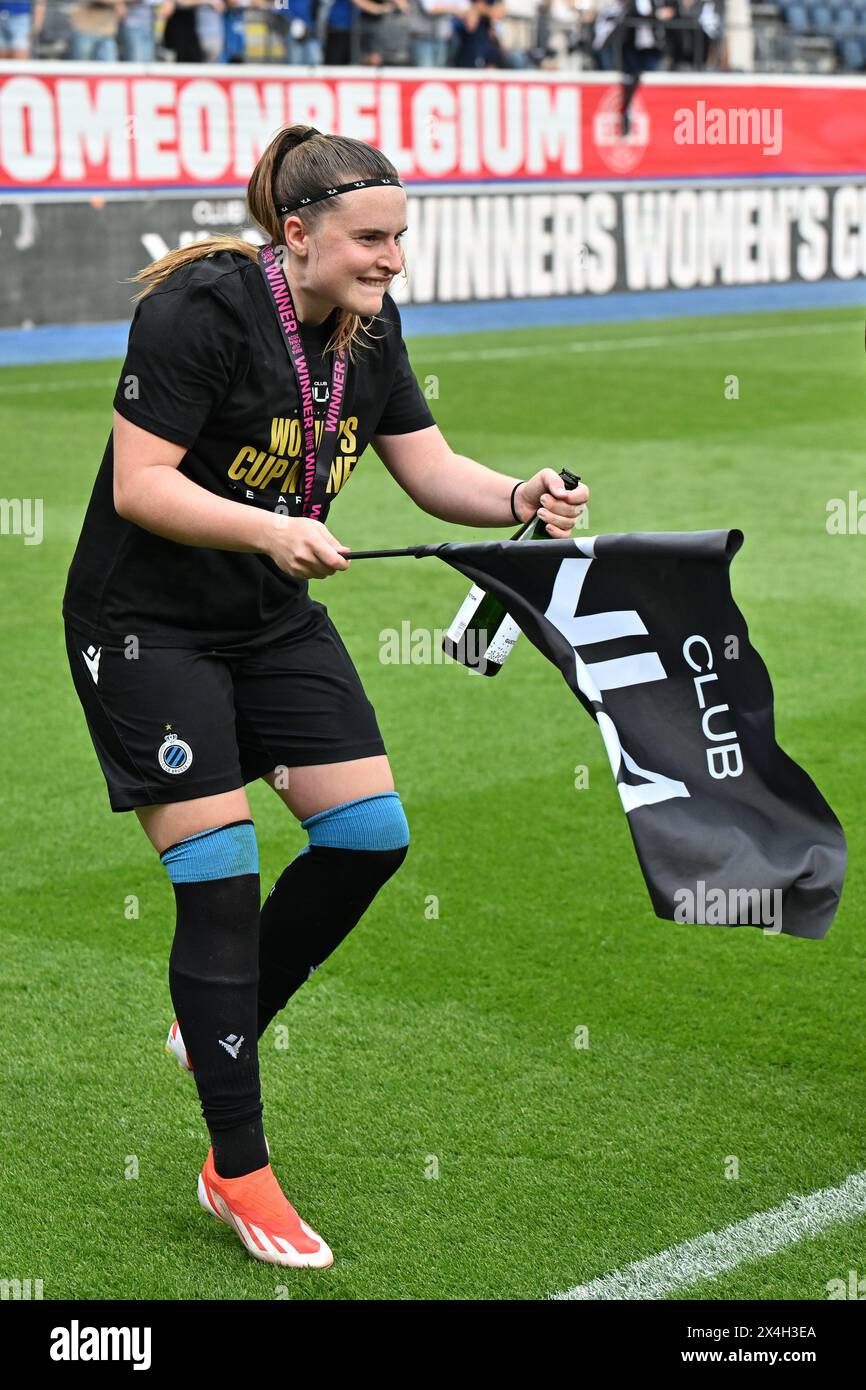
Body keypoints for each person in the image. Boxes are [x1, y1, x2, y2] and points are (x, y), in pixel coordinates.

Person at [62, 123, 588, 1269]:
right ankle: (236, 1170)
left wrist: (516, 492)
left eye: (401, 237)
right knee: (218, 876)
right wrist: (274, 527)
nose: (393, 258)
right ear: (294, 235)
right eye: (370, 238)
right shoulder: (198, 312)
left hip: (266, 615)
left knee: (365, 837)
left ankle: (219, 1020)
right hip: (145, 625)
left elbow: (428, 466)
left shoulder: (369, 325)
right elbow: (141, 486)